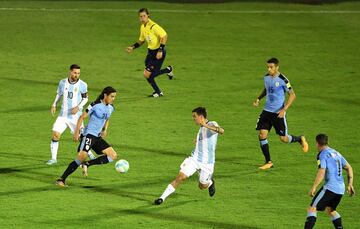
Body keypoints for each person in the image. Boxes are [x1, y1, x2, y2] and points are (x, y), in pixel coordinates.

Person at [154, 107, 224, 205]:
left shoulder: (211, 124)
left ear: (201, 116)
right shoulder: (200, 129)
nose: (193, 119)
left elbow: (221, 131)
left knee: (202, 186)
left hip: (207, 163)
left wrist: (206, 126)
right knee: (181, 177)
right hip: (195, 159)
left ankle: (211, 182)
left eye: (194, 116)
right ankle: (161, 198)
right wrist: (198, 141)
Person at [253, 57, 309, 170]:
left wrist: (284, 110)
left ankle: (299, 139)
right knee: (262, 135)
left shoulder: (284, 80)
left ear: (277, 67)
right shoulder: (266, 77)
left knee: (283, 139)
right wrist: (258, 98)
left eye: (271, 67)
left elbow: (292, 95)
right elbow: (267, 89)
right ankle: (268, 161)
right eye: (268, 67)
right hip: (266, 112)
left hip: (278, 113)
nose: (269, 69)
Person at [56, 86, 118, 187]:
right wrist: (76, 133)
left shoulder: (111, 108)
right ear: (105, 95)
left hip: (97, 137)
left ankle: (87, 164)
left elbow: (107, 119)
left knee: (113, 155)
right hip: (89, 135)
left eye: (114, 97)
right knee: (81, 157)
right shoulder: (94, 105)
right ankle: (61, 179)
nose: (113, 99)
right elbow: (82, 117)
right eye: (112, 96)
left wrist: (105, 129)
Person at [304, 134, 355, 229]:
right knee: (330, 210)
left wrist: (314, 186)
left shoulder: (322, 154)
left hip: (330, 187)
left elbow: (321, 170)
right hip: (340, 189)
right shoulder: (337, 153)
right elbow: (349, 167)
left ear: (317, 143)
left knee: (312, 209)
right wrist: (350, 184)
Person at [47, 64, 95, 165]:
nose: (76, 75)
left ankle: (89, 152)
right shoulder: (62, 82)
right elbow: (59, 94)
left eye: (78, 73)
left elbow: (85, 98)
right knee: (55, 134)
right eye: (75, 73)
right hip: (63, 115)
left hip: (76, 116)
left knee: (81, 137)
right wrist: (54, 104)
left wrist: (78, 107)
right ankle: (53, 159)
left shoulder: (83, 84)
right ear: (70, 72)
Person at [126, 8, 174, 98]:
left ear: (148, 15)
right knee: (149, 74)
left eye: (144, 16)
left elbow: (164, 36)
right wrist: (133, 47)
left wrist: (160, 50)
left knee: (147, 74)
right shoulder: (143, 27)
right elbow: (141, 40)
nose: (142, 18)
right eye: (140, 16)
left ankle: (159, 91)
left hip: (158, 53)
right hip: (150, 53)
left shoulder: (153, 26)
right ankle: (168, 70)